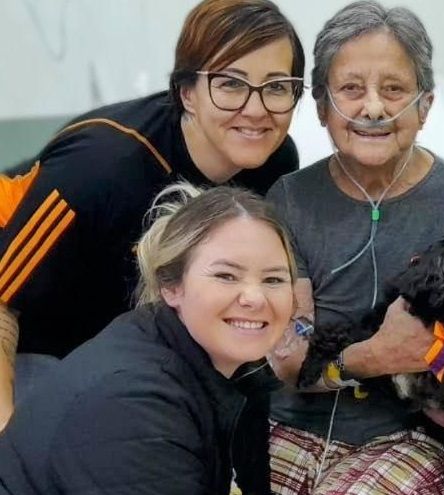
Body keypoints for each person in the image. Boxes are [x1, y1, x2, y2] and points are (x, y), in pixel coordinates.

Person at [0, 0, 305, 428]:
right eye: (230, 84)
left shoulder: (273, 162)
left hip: (131, 358)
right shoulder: (103, 168)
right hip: (35, 350)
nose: (255, 110)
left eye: (276, 86)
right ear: (186, 93)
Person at [265, 2, 444, 493]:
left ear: (424, 107)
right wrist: (375, 355)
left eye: (395, 89)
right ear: (321, 106)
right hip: (286, 425)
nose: (374, 108)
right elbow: (289, 358)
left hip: (406, 436)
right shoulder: (289, 200)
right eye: (351, 89)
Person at [0, 182, 296, 494]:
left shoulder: (241, 372)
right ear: (171, 287)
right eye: (226, 276)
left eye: (274, 279)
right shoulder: (134, 402)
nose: (254, 297)